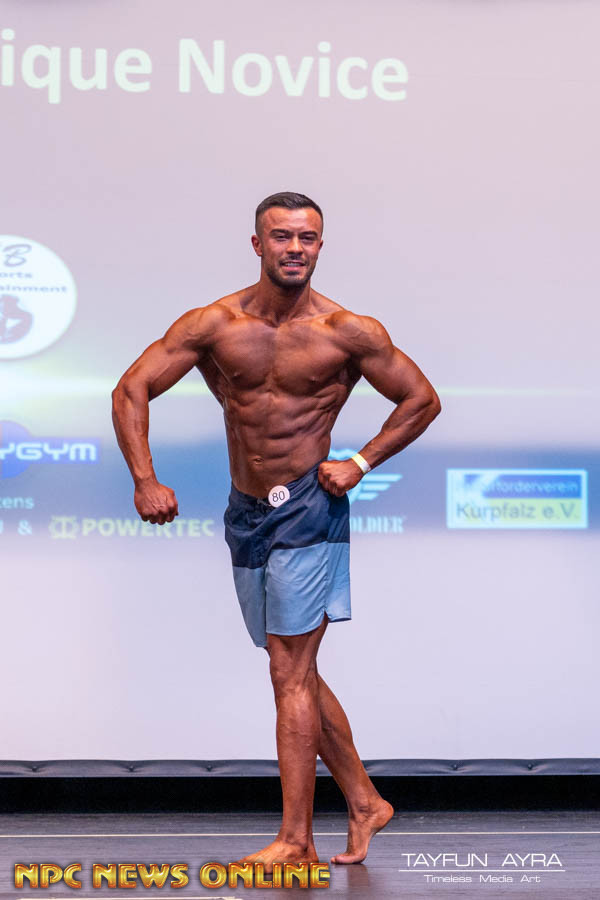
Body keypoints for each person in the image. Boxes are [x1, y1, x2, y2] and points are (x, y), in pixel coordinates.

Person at [112, 191, 441, 870]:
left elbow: (422, 399)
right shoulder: (214, 324)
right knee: (294, 668)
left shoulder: (349, 331)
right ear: (257, 244)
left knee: (289, 673)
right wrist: (145, 478)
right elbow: (131, 388)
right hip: (247, 511)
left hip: (310, 509)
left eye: (308, 238)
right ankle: (365, 801)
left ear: (321, 246)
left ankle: (296, 840)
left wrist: (359, 462)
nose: (296, 248)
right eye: (283, 236)